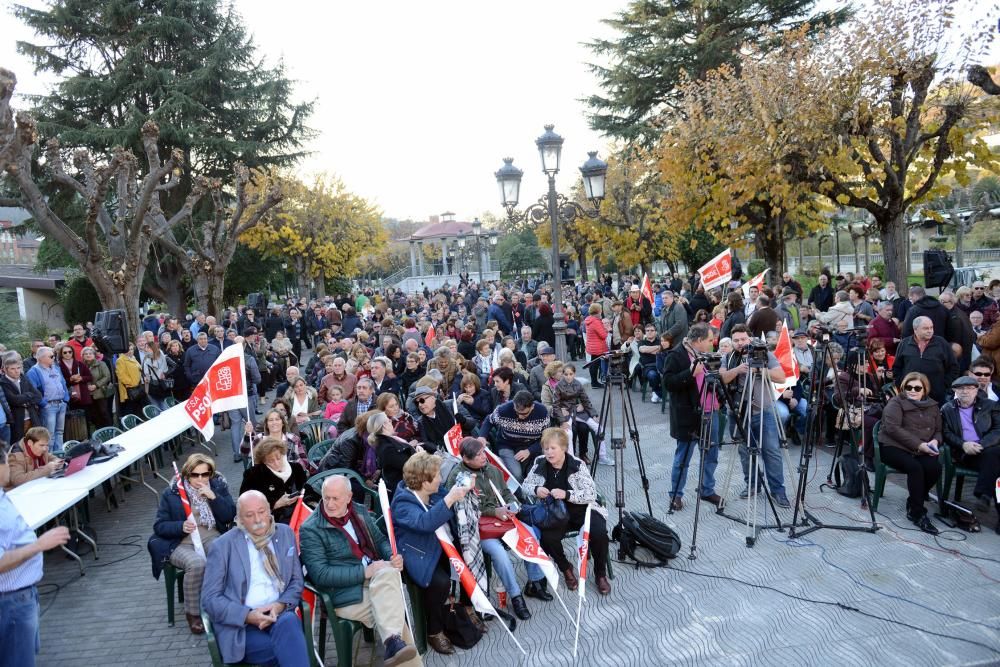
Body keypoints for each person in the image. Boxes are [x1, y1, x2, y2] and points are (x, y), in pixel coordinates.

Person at [298, 475, 420, 666]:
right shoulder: (311, 529)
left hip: (375, 578)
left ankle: (392, 642)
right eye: (326, 497)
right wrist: (364, 572)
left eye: (335, 498)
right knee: (392, 613)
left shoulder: (359, 511)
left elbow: (379, 541)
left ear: (349, 497)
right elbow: (320, 575)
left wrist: (391, 557)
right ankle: (393, 642)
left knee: (388, 574)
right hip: (344, 592)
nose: (329, 504)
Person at [200, 490, 310, 667]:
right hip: (242, 626)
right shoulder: (222, 546)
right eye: (249, 515)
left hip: (279, 615)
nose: (258, 520)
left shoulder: (284, 533)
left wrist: (280, 605)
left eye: (261, 512)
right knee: (285, 649)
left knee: (289, 622)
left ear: (270, 510)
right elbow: (210, 599)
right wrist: (248, 616)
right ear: (240, 519)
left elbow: (296, 581)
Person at [391, 451, 477, 655]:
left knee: (469, 558)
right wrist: (450, 499)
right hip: (417, 552)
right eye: (437, 475)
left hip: (437, 545)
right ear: (424, 480)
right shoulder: (403, 503)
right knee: (440, 583)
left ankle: (466, 609)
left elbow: (448, 493)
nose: (440, 478)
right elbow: (425, 523)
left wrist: (463, 487)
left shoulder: (432, 492)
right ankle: (434, 630)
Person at [450, 437, 551, 609]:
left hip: (504, 519)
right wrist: (494, 512)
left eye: (483, 452)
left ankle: (534, 583)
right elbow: (462, 511)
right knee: (500, 554)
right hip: (480, 528)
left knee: (531, 535)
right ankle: (515, 595)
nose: (484, 457)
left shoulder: (492, 469)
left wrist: (513, 505)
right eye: (478, 455)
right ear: (466, 459)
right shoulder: (458, 478)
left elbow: (505, 491)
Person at [149, 454, 236, 634]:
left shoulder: (217, 486)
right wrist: (179, 526)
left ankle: (224, 603)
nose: (200, 479)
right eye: (195, 475)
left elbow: (229, 515)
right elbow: (159, 526)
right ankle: (193, 614)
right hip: (180, 542)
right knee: (197, 565)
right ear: (187, 474)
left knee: (224, 556)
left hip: (210, 535)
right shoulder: (173, 492)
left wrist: (214, 498)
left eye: (205, 474)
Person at [0, 455, 71, 667]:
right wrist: (39, 545)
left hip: (18, 598)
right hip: (11, 602)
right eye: (5, 462)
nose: (9, 469)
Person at [523, 427, 611, 595]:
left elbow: (591, 493)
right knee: (547, 538)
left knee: (599, 533)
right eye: (546, 448)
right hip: (555, 513)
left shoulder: (577, 464)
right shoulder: (540, 462)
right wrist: (536, 489)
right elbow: (525, 486)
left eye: (553, 448)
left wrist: (567, 494)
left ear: (563, 448)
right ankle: (566, 569)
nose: (549, 453)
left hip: (581, 509)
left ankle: (600, 574)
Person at [719, 325, 789, 506]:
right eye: (736, 340)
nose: (740, 343)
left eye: (743, 339)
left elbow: (781, 377)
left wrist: (758, 370)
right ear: (732, 342)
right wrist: (738, 370)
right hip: (737, 412)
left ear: (750, 339)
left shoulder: (763, 353)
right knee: (745, 451)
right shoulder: (728, 357)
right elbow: (722, 378)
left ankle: (777, 490)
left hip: (763, 411)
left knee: (771, 451)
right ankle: (752, 484)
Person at [662, 324, 723, 511]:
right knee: (683, 457)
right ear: (698, 341)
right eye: (709, 339)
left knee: (711, 454)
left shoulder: (706, 355)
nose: (712, 343)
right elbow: (668, 383)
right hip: (689, 414)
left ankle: (707, 489)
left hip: (711, 410)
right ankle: (676, 495)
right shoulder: (676, 355)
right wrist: (690, 373)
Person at [877, 372, 943, 535]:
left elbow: (938, 430)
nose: (912, 390)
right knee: (915, 468)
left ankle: (914, 500)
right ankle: (917, 512)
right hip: (893, 447)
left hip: (923, 447)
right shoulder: (896, 403)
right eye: (908, 387)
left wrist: (935, 441)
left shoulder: (932, 406)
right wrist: (920, 445)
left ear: (924, 389)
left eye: (917, 387)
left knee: (934, 468)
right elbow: (893, 429)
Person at [940, 376, 1000, 529]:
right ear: (955, 391)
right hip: (965, 454)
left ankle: (984, 492)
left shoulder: (990, 405)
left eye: (969, 388)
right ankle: (984, 495)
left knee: (994, 457)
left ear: (976, 390)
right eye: (960, 388)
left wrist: (981, 444)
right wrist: (963, 444)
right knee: (996, 463)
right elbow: (946, 433)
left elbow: (998, 430)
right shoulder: (947, 409)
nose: (965, 391)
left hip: (986, 450)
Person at [476, 390, 550, 481]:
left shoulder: (542, 412)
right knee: (517, 474)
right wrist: (482, 436)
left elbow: (547, 437)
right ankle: (520, 493)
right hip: (506, 444)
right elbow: (489, 420)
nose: (519, 417)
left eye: (524, 414)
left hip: (531, 444)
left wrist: (529, 450)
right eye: (517, 412)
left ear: (532, 407)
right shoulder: (504, 409)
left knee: (536, 473)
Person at [239, 437, 308, 524]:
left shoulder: (296, 468)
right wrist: (275, 504)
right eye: (271, 461)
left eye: (278, 458)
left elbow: (308, 491)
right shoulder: (254, 474)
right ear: (263, 461)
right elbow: (245, 503)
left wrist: (300, 497)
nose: (276, 463)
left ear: (283, 454)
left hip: (299, 515)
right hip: (271, 522)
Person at [892, 316, 957, 405]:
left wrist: (944, 385)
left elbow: (953, 367)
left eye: (931, 327)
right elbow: (897, 367)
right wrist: (902, 384)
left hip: (936, 396)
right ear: (915, 329)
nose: (930, 330)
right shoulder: (905, 343)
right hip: (911, 394)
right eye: (926, 328)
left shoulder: (941, 343)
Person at [370, 412, 435, 501]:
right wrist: (420, 455)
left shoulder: (389, 441)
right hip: (406, 489)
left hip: (411, 482)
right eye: (388, 420)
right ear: (384, 425)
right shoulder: (387, 448)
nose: (391, 421)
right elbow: (409, 466)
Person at [25, 346, 69, 453]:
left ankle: (59, 456)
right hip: (49, 406)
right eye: (51, 356)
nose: (54, 358)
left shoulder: (56, 368)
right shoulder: (33, 372)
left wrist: (66, 399)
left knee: (60, 432)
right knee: (49, 435)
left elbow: (63, 383)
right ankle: (49, 458)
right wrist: (43, 404)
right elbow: (32, 391)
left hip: (61, 404)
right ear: (41, 358)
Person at [245, 409, 311, 474]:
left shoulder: (293, 439)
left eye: (277, 419)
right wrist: (248, 434)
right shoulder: (260, 439)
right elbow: (245, 452)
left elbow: (304, 461)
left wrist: (292, 467)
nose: (274, 422)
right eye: (271, 420)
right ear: (267, 424)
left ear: (282, 423)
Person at [1, 353, 42, 446]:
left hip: (32, 418)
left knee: (35, 444)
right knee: (18, 447)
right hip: (17, 420)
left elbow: (38, 396)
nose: (16, 371)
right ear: (5, 370)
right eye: (12, 369)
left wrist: (24, 399)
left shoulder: (24, 378)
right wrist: (29, 396)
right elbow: (14, 400)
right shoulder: (3, 382)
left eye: (18, 368)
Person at [55, 343, 93, 419]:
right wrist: (70, 379)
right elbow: (57, 381)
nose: (68, 354)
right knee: (71, 420)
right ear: (61, 354)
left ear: (73, 352)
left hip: (82, 394)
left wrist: (81, 378)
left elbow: (89, 377)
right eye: (65, 352)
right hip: (67, 395)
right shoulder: (57, 366)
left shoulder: (80, 364)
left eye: (70, 352)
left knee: (85, 417)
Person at [81, 347, 112, 428]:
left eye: (90, 353)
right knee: (94, 414)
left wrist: (96, 385)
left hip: (100, 391)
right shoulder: (81, 366)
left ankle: (110, 429)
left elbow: (107, 376)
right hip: (87, 393)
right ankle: (99, 431)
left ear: (94, 355)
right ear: (83, 356)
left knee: (103, 412)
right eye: (86, 354)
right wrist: (87, 386)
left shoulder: (101, 364)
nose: (88, 355)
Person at [116, 342, 147, 418]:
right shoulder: (120, 360)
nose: (130, 351)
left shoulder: (133, 357)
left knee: (138, 407)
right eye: (128, 349)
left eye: (132, 349)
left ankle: (140, 422)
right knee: (130, 408)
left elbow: (139, 368)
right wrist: (132, 383)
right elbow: (121, 375)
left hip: (138, 386)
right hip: (129, 389)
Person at [584, 303, 609, 388]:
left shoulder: (589, 320)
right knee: (595, 365)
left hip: (592, 346)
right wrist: (607, 330)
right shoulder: (596, 322)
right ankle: (594, 383)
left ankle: (594, 382)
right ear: (598, 311)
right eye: (600, 310)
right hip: (598, 347)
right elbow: (603, 335)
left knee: (593, 364)